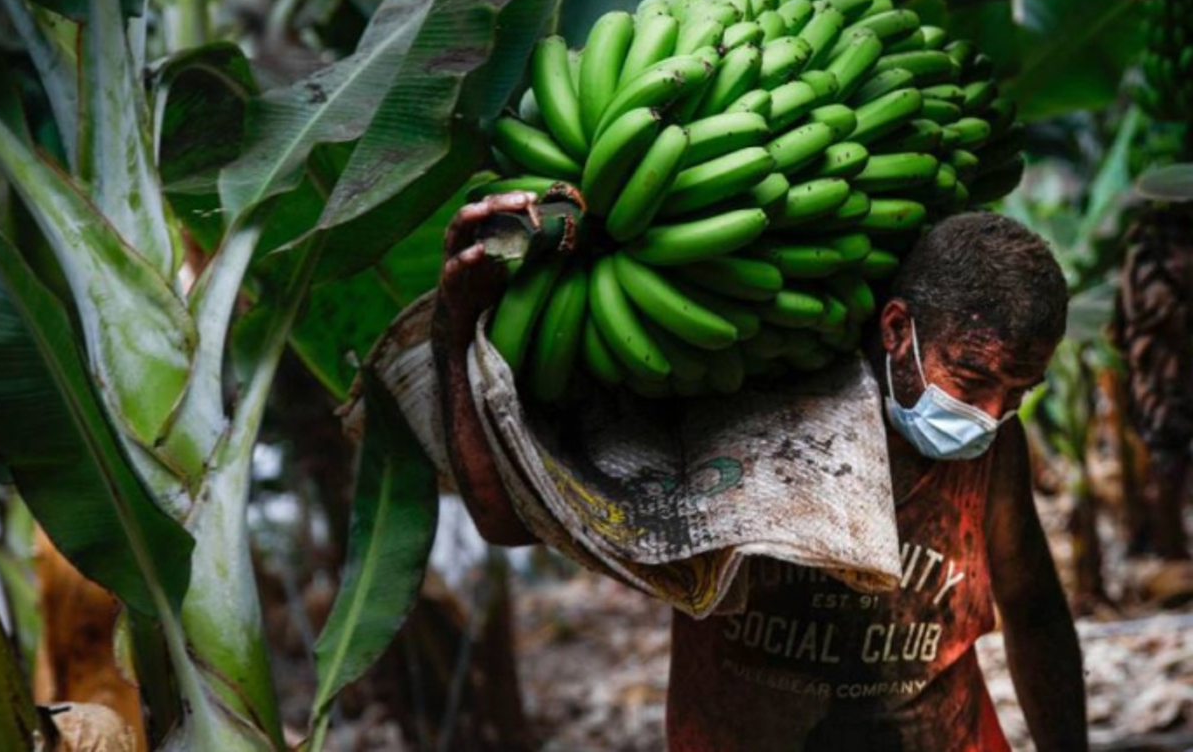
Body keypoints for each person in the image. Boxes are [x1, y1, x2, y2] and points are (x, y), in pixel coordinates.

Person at [432, 196, 1088, 752]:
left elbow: (1032, 605)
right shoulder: (748, 408)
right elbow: (506, 521)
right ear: (896, 329)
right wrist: (458, 324)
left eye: (1019, 392)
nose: (991, 414)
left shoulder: (994, 447)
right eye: (972, 380)